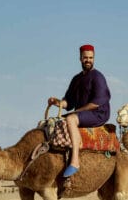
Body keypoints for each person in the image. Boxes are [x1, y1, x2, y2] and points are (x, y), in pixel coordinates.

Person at [47, 44, 111, 178]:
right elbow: (68, 102)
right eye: (85, 58)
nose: (88, 60)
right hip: (82, 113)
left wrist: (76, 113)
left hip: (98, 113)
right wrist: (57, 103)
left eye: (91, 58)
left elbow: (96, 103)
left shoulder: (98, 77)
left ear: (94, 58)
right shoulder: (76, 79)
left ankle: (75, 161)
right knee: (54, 121)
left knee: (70, 119)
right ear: (80, 58)